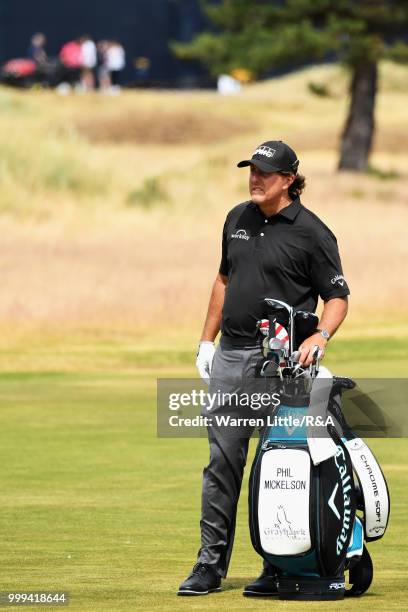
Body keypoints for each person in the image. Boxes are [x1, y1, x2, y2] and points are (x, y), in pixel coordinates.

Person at [177, 140, 350, 596]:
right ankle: (209, 565)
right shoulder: (237, 218)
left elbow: (337, 296)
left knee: (279, 464)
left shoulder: (313, 232)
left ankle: (278, 563)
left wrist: (320, 336)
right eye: (251, 170)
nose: (255, 179)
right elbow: (223, 279)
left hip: (283, 365)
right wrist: (205, 341)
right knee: (222, 465)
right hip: (232, 357)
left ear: (289, 180)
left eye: (265, 173)